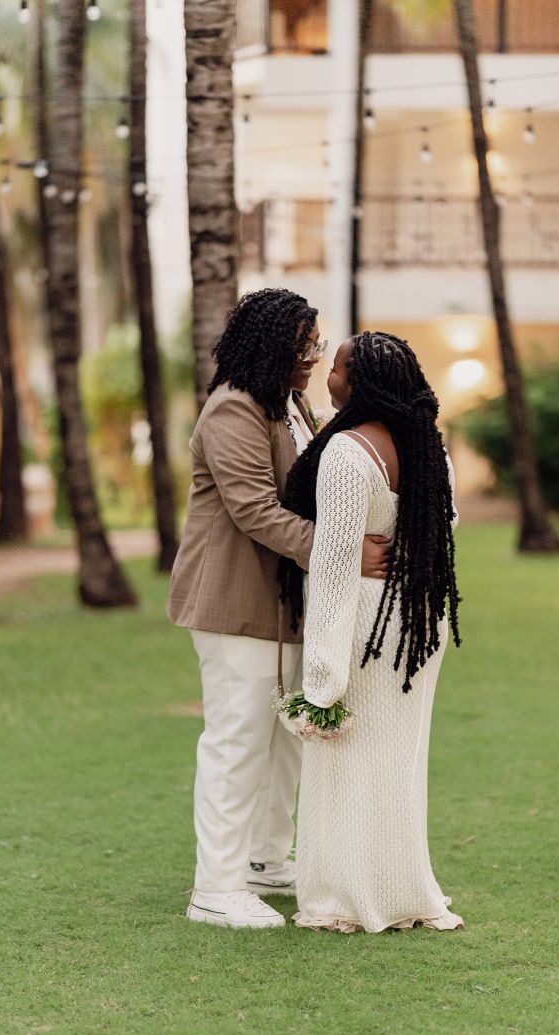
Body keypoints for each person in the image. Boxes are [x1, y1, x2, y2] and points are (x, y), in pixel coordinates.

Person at [167, 291, 390, 930]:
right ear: (269, 346)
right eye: (304, 347)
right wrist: (344, 553)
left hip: (285, 603)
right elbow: (255, 512)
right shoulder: (233, 409)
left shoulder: (290, 405)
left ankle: (264, 862)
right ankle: (216, 887)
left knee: (284, 741)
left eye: (317, 346)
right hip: (231, 602)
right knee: (238, 741)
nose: (313, 359)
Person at [279, 332, 464, 933]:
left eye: (336, 368)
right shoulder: (431, 451)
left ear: (359, 384)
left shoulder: (347, 453)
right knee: (398, 762)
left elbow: (333, 571)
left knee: (345, 763)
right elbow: (439, 534)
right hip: (416, 623)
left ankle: (346, 898)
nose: (328, 376)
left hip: (364, 624)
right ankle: (401, 889)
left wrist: (322, 680)